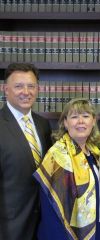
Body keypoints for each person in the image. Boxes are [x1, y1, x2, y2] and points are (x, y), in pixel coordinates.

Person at [33, 98, 100, 240]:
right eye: (74, 117)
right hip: (65, 233)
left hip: (99, 225)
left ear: (93, 121)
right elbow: (51, 208)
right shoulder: (57, 156)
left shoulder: (95, 153)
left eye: (85, 116)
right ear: (65, 123)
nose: (80, 121)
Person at [0, 63, 52, 240]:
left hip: (42, 224)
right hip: (9, 228)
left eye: (31, 86)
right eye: (18, 86)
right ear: (5, 89)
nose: (26, 91)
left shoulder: (43, 125)